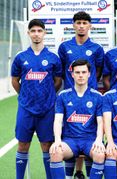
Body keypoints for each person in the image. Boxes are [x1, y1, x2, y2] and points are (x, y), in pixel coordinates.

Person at [11, 19, 62, 179]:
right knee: (23, 144)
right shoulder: (21, 57)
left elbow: (58, 81)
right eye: (33, 31)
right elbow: (15, 80)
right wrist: (25, 95)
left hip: (47, 109)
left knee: (47, 145)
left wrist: (46, 94)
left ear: (44, 33)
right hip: (26, 108)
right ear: (28, 33)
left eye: (39, 31)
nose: (36, 34)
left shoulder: (53, 57)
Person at [58, 11, 104, 178]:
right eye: (78, 23)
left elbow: (97, 71)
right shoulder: (64, 47)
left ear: (89, 26)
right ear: (73, 25)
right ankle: (75, 173)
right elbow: (63, 70)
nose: (81, 26)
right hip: (70, 97)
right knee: (69, 134)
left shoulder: (97, 48)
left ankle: (83, 173)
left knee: (88, 133)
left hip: (89, 96)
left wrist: (88, 84)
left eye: (85, 23)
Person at [49, 60, 105, 179]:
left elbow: (101, 122)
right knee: (55, 152)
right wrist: (58, 140)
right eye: (77, 72)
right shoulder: (63, 95)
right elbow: (58, 121)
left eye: (84, 72)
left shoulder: (97, 96)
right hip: (70, 141)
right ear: (72, 74)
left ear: (89, 74)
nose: (80, 75)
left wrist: (99, 140)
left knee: (100, 154)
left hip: (90, 140)